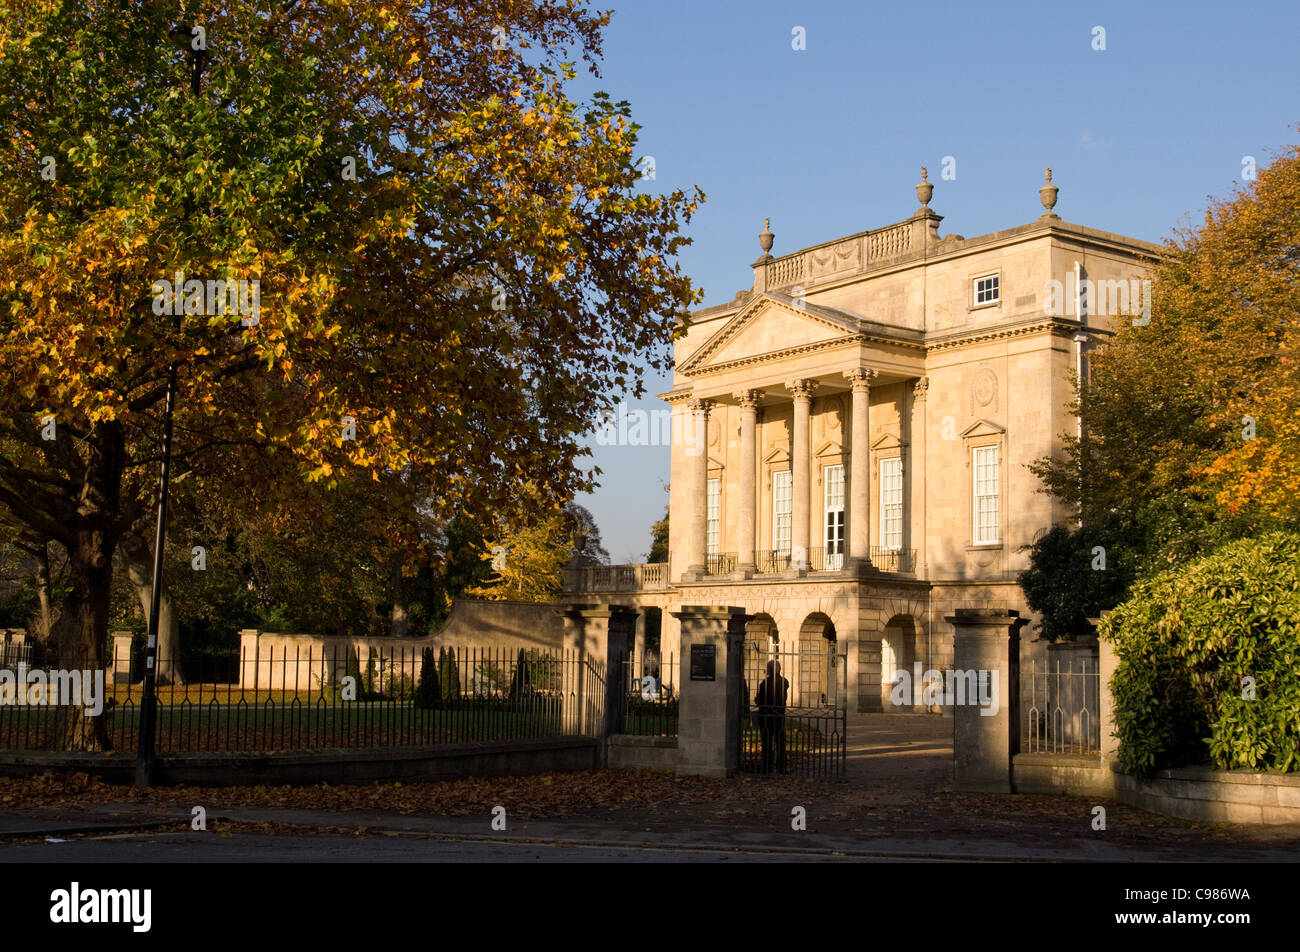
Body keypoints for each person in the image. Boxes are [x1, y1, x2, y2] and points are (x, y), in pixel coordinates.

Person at [754, 659, 788, 773]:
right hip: (779, 716)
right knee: (780, 743)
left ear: (769, 670)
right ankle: (781, 767)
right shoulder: (784, 682)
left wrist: (757, 699)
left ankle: (767, 767)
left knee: (767, 743)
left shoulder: (764, 684)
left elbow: (760, 701)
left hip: (766, 717)